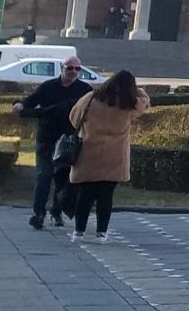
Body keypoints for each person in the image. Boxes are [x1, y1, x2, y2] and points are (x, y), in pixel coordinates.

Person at [66, 70, 151, 243]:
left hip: (90, 151)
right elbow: (145, 102)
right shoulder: (129, 103)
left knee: (85, 194)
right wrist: (137, 90)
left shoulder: (91, 98)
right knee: (106, 195)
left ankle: (79, 231)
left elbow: (74, 117)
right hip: (115, 155)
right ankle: (102, 233)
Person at [11, 57, 92, 230]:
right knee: (44, 174)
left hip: (69, 138)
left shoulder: (84, 90)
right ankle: (38, 213)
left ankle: (56, 212)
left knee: (62, 177)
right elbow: (32, 99)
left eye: (77, 69)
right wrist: (20, 105)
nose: (73, 72)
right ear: (62, 68)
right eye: (70, 68)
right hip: (47, 137)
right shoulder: (48, 86)